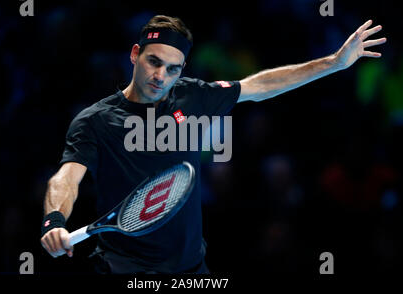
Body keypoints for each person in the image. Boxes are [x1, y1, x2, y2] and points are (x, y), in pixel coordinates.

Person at [40, 15, 386, 274]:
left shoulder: (194, 96)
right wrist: (54, 220)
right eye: (154, 61)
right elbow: (67, 177)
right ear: (135, 54)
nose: (161, 76)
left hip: (190, 267)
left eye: (173, 68)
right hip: (123, 266)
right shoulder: (96, 119)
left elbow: (263, 85)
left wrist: (334, 63)